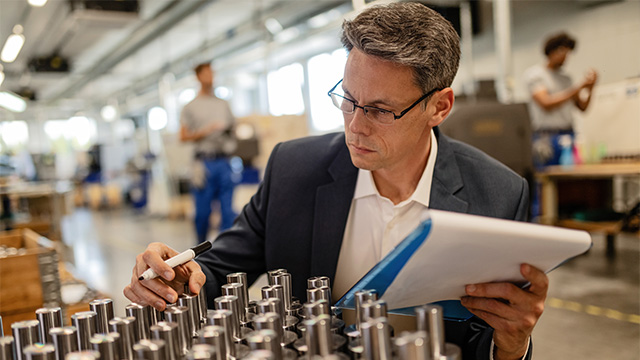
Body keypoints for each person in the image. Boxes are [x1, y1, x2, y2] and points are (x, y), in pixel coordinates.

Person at [125, 3, 547, 359]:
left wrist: (512, 346)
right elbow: (216, 270)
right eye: (347, 99)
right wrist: (176, 277)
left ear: (439, 106)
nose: (355, 127)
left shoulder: (497, 194)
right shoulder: (294, 169)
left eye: (381, 109)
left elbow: (483, 339)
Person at [179, 63, 237, 243]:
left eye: (213, 73)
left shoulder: (223, 104)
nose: (211, 77)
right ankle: (201, 253)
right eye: (207, 73)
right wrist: (207, 130)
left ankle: (227, 250)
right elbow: (183, 136)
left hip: (224, 162)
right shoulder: (190, 107)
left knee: (228, 211)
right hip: (203, 163)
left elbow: (233, 129)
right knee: (203, 213)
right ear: (198, 77)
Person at [524, 32, 598, 168]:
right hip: (546, 136)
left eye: (568, 52)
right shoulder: (536, 75)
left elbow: (582, 107)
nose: (565, 56)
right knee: (546, 179)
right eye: (562, 51)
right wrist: (579, 87)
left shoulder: (566, 79)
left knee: (568, 180)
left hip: (568, 134)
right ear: (551, 51)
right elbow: (546, 103)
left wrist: (590, 88)